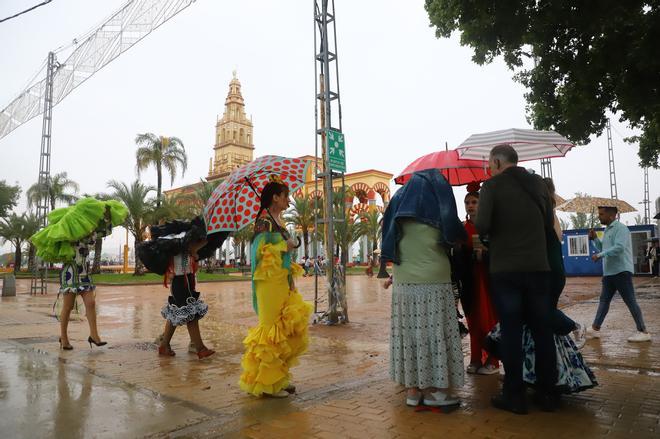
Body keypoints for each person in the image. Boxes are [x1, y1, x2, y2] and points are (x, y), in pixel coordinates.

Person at [475, 144, 558, 414]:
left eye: (490, 163)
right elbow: (547, 222)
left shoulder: (492, 186)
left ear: (498, 162)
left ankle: (514, 395)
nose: (489, 168)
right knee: (542, 331)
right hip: (538, 268)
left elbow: (483, 225)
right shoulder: (537, 184)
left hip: (507, 270)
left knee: (511, 332)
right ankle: (548, 394)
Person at [381, 169, 466, 408]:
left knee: (409, 335)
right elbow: (457, 238)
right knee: (434, 333)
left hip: (404, 284)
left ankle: (412, 391)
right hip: (434, 282)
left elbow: (388, 242)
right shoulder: (440, 208)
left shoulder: (398, 209)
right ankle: (436, 392)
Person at [239, 176, 313, 398]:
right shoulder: (264, 221)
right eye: (285, 196)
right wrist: (284, 244)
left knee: (284, 329)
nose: (288, 200)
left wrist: (290, 273)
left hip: (283, 280)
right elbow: (258, 255)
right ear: (275, 197)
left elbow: (284, 254)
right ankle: (266, 383)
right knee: (271, 329)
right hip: (268, 282)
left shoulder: (278, 220)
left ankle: (279, 378)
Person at [30, 198, 128, 350]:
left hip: (85, 272)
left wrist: (107, 214)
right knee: (68, 307)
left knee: (91, 303)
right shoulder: (69, 233)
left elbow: (105, 229)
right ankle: (64, 338)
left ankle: (94, 336)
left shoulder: (91, 232)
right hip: (70, 273)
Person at [588, 206, 651, 342]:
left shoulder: (621, 228)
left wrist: (600, 255)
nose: (599, 216)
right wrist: (594, 239)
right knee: (604, 301)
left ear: (611, 216)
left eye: (601, 214)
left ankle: (643, 331)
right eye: (599, 214)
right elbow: (603, 248)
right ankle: (595, 329)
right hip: (609, 273)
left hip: (621, 271)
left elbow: (619, 248)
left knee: (630, 301)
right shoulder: (607, 230)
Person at [158, 217, 215, 359]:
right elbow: (191, 249)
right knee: (191, 315)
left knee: (176, 313)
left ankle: (164, 346)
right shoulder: (176, 244)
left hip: (185, 280)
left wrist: (199, 246)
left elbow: (193, 251)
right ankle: (200, 348)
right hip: (181, 281)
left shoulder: (181, 244)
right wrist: (200, 243)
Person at [458, 182, 500, 375]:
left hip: (489, 280)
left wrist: (486, 253)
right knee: (473, 321)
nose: (470, 206)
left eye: (474, 202)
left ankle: (492, 360)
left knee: (489, 320)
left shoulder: (491, 227)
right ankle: (475, 358)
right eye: (467, 202)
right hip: (470, 281)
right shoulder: (462, 228)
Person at [542, 178, 586, 348]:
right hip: (553, 271)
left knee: (542, 310)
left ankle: (574, 326)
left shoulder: (547, 215)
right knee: (543, 312)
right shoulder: (551, 215)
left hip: (550, 271)